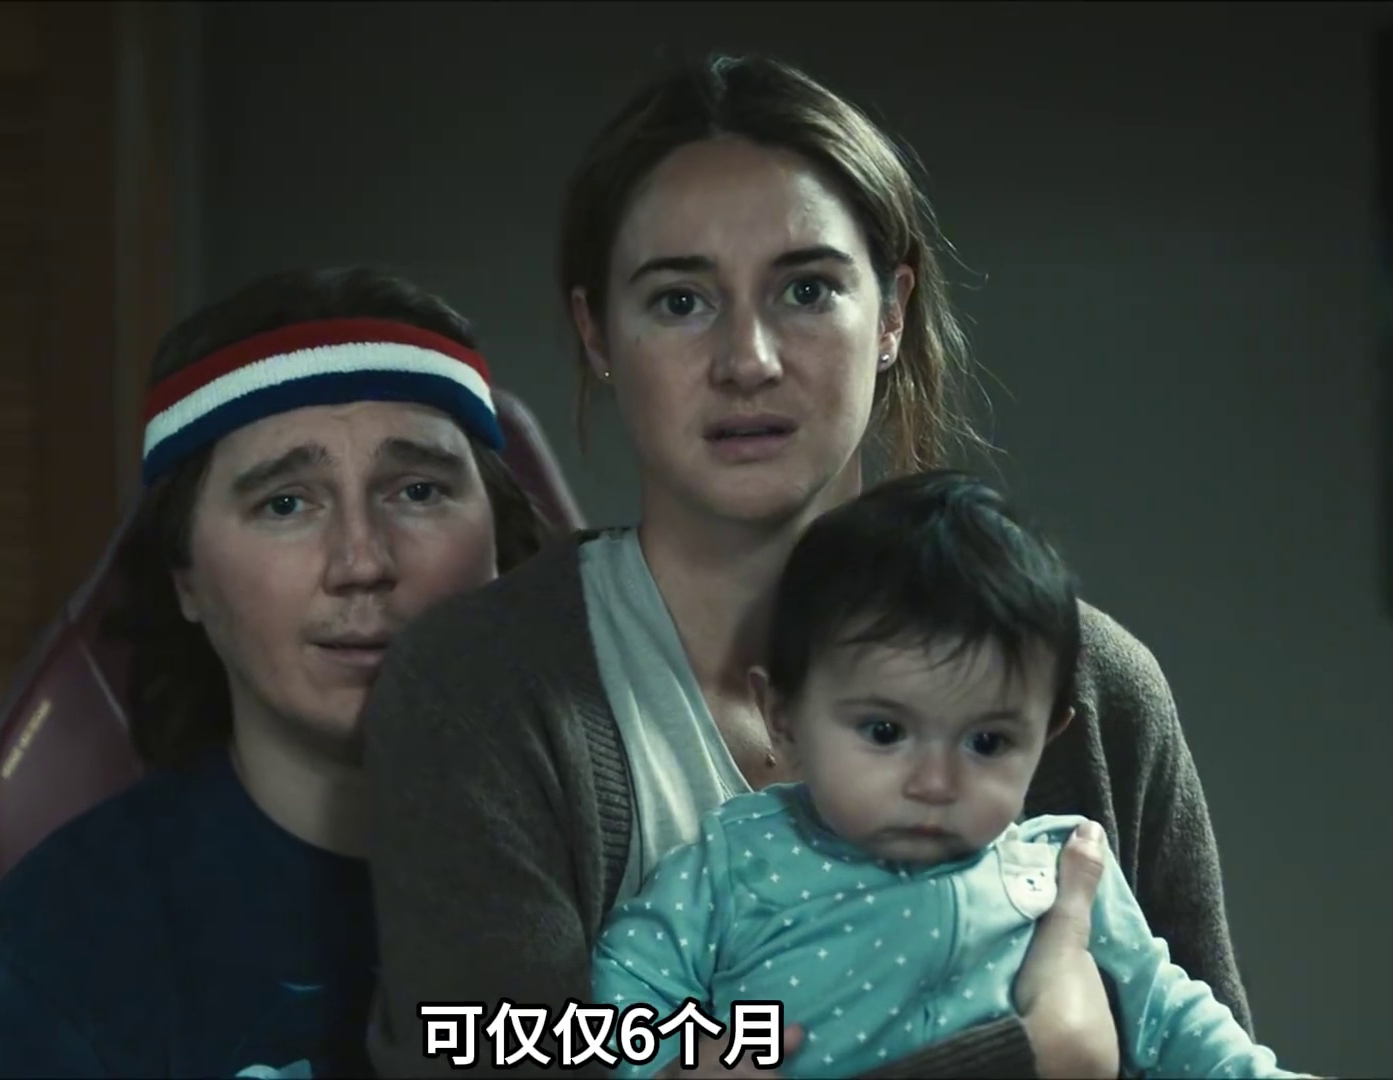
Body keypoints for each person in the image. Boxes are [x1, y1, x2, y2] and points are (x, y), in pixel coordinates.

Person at [363, 52, 1249, 1079]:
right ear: (596, 332)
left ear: (893, 313)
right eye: (680, 301)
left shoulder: (1094, 688)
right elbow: (477, 1047)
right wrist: (1033, 1053)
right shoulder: (479, 691)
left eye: (808, 289)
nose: (749, 360)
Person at [0, 267, 553, 1078]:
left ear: (499, 544)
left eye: (418, 491)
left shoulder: (662, 878)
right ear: (186, 578)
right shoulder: (48, 962)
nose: (362, 560)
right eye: (285, 504)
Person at [591, 472, 1298, 1080]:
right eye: (884, 732)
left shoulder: (1058, 874)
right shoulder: (737, 861)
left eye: (987, 742)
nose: (935, 782)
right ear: (783, 716)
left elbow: (1167, 1017)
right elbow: (625, 990)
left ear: (1046, 739)